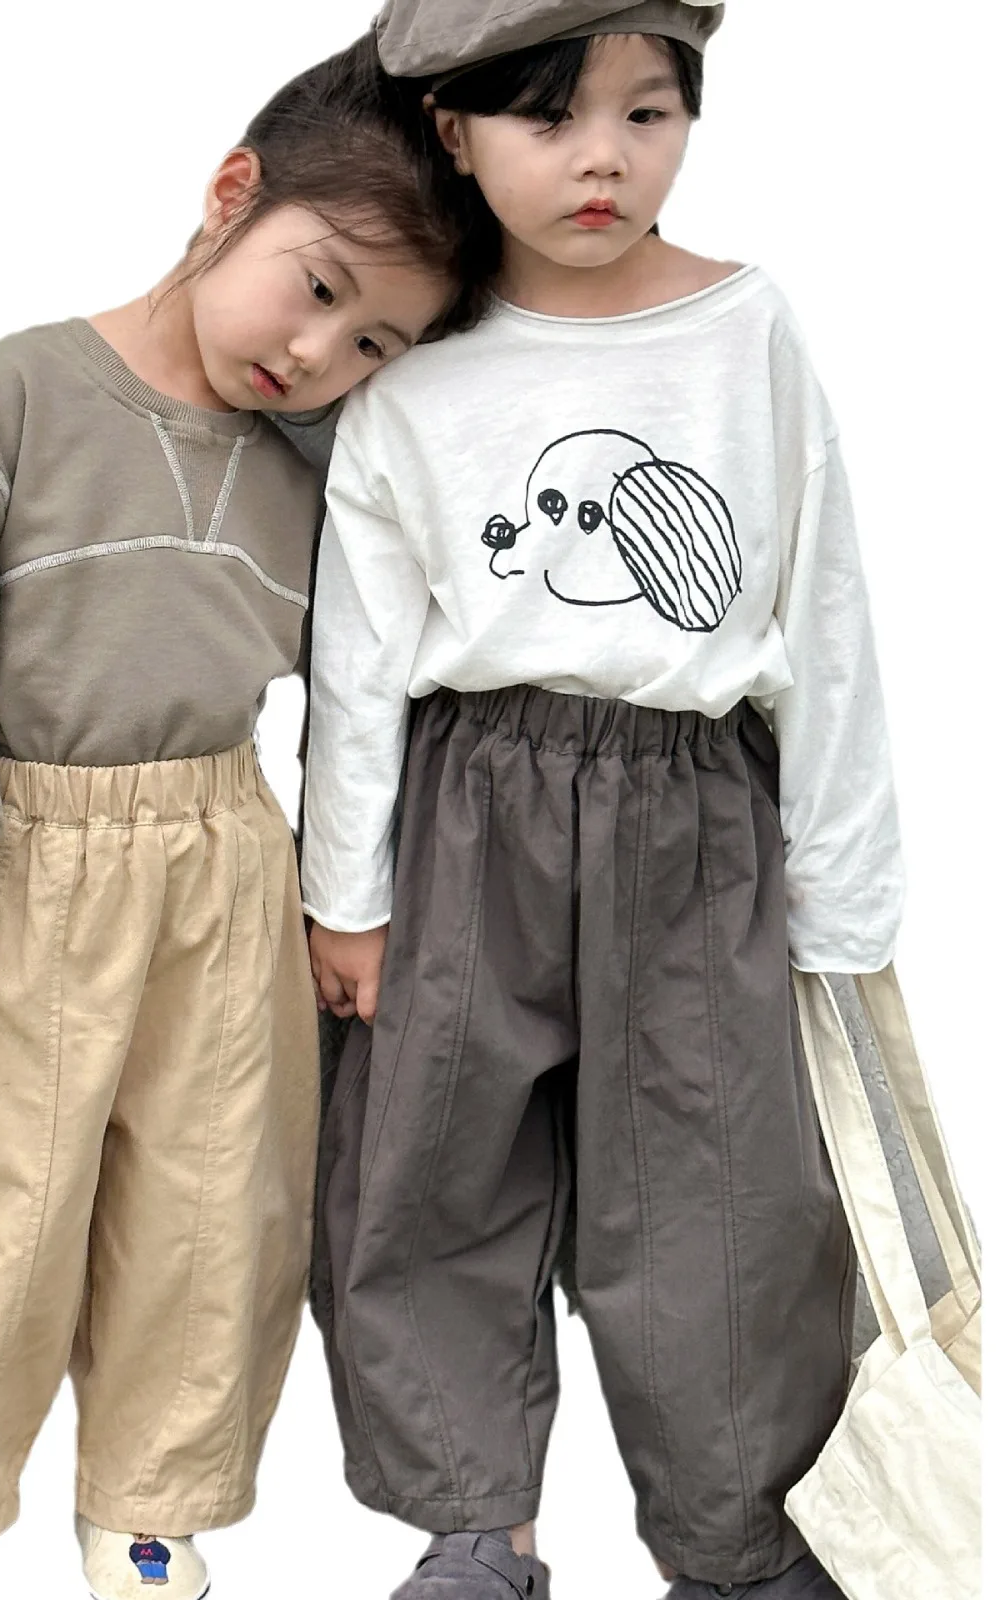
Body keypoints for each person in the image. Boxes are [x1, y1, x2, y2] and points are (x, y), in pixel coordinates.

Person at [0, 34, 470, 1600]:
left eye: (375, 343)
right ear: (230, 194)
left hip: (222, 853)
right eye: (316, 290)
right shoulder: (25, 386)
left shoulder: (316, 472)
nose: (319, 354)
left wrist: (346, 892)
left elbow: (364, 683)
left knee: (212, 1191)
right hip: (26, 849)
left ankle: (150, 1500)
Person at [301, 4, 900, 1597]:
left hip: (695, 811)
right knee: (432, 1158)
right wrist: (345, 894)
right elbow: (359, 648)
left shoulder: (746, 328)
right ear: (454, 132)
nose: (603, 161)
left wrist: (844, 905)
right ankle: (474, 1524)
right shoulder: (414, 354)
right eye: (551, 119)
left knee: (722, 1184)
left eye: (648, 113)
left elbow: (824, 613)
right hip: (470, 804)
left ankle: (739, 1538)